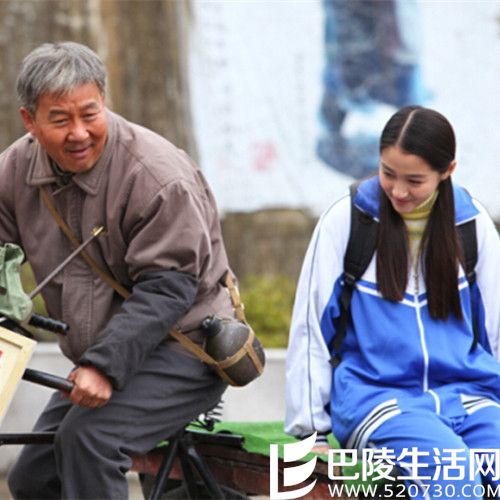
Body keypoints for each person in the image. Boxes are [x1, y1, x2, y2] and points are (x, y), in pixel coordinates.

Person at [2, 41, 236, 499]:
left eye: (90, 114)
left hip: (185, 346)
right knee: (33, 478)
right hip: (106, 350)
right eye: (60, 120)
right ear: (29, 120)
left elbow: (168, 290)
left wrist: (103, 367)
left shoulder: (155, 174)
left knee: (90, 442)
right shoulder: (15, 168)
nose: (79, 133)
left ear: (104, 101)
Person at [286, 106, 500, 498]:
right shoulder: (346, 221)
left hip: (469, 397)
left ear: (447, 171)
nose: (398, 191)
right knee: (452, 476)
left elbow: (495, 331)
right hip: (378, 401)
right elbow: (310, 328)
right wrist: (311, 432)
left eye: (414, 180)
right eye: (388, 173)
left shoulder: (472, 225)